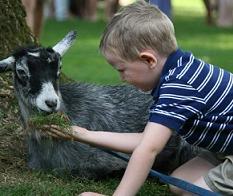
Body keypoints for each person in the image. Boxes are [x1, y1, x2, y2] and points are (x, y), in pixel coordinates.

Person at [46, 1, 233, 195]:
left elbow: (148, 149)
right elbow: (146, 140)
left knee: (193, 192)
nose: (122, 78)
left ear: (148, 60)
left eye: (122, 70)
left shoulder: (179, 87)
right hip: (224, 148)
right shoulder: (180, 70)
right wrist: (84, 134)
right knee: (179, 183)